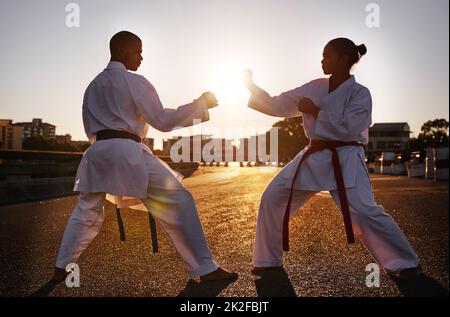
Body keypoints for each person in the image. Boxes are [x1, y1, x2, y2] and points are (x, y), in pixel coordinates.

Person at [52, 31, 237, 282]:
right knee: (178, 200)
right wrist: (200, 104)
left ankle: (62, 265)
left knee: (86, 210)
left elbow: (89, 127)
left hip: (97, 153)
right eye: (138, 51)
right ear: (123, 51)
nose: (141, 57)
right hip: (128, 151)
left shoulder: (92, 86)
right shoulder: (134, 81)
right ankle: (205, 268)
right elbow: (162, 120)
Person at [243, 38, 421, 279]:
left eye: (327, 56)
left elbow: (350, 128)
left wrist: (315, 111)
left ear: (344, 59)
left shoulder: (360, 93)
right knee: (273, 197)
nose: (322, 60)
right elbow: (280, 105)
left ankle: (405, 263)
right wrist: (251, 87)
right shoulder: (314, 87)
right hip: (313, 154)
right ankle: (268, 259)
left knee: (364, 212)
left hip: (345, 156)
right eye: (322, 55)